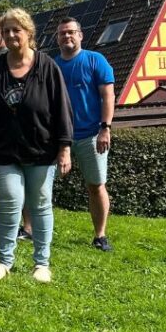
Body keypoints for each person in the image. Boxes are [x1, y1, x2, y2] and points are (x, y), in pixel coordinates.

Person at [0, 9, 72, 283]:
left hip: (41, 149)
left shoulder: (47, 66)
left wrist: (64, 147)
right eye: (5, 31)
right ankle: (4, 261)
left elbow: (62, 109)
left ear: (29, 33)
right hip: (4, 149)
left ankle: (41, 263)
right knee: (9, 203)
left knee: (41, 204)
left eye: (15, 30)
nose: (9, 35)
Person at [54, 17, 115, 252]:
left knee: (96, 185)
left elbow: (108, 96)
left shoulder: (95, 60)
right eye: (62, 33)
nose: (67, 36)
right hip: (59, 138)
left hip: (91, 134)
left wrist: (105, 128)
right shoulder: (53, 65)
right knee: (38, 181)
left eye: (71, 32)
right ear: (57, 38)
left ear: (80, 35)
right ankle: (28, 230)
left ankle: (100, 235)